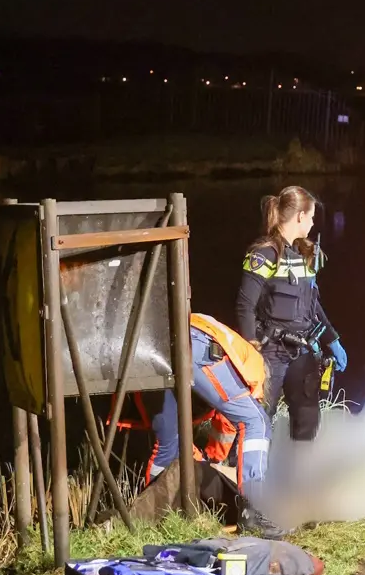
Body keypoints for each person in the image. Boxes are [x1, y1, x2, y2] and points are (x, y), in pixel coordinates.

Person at [235, 186, 347, 444]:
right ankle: (245, 468)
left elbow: (313, 306)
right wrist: (251, 349)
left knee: (308, 418)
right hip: (270, 351)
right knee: (258, 419)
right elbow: (244, 305)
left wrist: (332, 340)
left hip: (303, 350)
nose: (312, 223)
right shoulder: (264, 254)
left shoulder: (305, 256)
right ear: (299, 216)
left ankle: (300, 467)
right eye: (311, 217)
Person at [141, 313, 271, 492]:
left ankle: (153, 506)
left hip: (158, 343)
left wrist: (201, 459)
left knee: (168, 446)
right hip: (198, 345)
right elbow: (226, 425)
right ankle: (255, 501)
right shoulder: (254, 368)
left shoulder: (234, 346)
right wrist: (213, 461)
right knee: (256, 420)